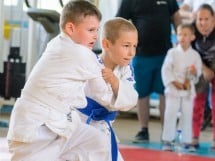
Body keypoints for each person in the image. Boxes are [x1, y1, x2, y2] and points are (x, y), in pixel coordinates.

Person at [6, 1, 116, 161]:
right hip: (37, 126)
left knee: (97, 142)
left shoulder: (57, 42)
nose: (95, 36)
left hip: (60, 122)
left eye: (97, 30)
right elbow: (105, 93)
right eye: (91, 30)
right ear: (70, 28)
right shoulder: (80, 53)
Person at [116, 0, 181, 142]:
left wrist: (182, 41)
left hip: (165, 55)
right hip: (140, 55)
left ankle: (167, 132)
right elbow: (118, 22)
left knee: (165, 92)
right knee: (142, 93)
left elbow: (176, 17)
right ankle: (143, 130)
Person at [78, 17, 138, 161]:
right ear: (106, 44)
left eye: (134, 46)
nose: (131, 53)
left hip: (103, 129)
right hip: (81, 125)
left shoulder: (126, 68)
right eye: (126, 45)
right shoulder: (90, 64)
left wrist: (115, 82)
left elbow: (131, 100)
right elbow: (102, 96)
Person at [161, 23, 202, 151]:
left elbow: (198, 72)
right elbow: (166, 70)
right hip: (174, 88)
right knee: (170, 114)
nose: (182, 37)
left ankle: (187, 141)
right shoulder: (172, 52)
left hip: (187, 89)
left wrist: (194, 73)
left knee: (187, 115)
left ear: (192, 37)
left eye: (185, 34)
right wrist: (174, 82)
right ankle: (168, 140)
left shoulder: (195, 55)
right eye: (179, 34)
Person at [191, 4, 215, 150]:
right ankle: (194, 136)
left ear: (213, 19)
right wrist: (204, 69)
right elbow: (188, 53)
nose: (203, 23)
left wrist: (212, 70)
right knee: (197, 102)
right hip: (200, 68)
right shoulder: (191, 31)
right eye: (200, 19)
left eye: (206, 19)